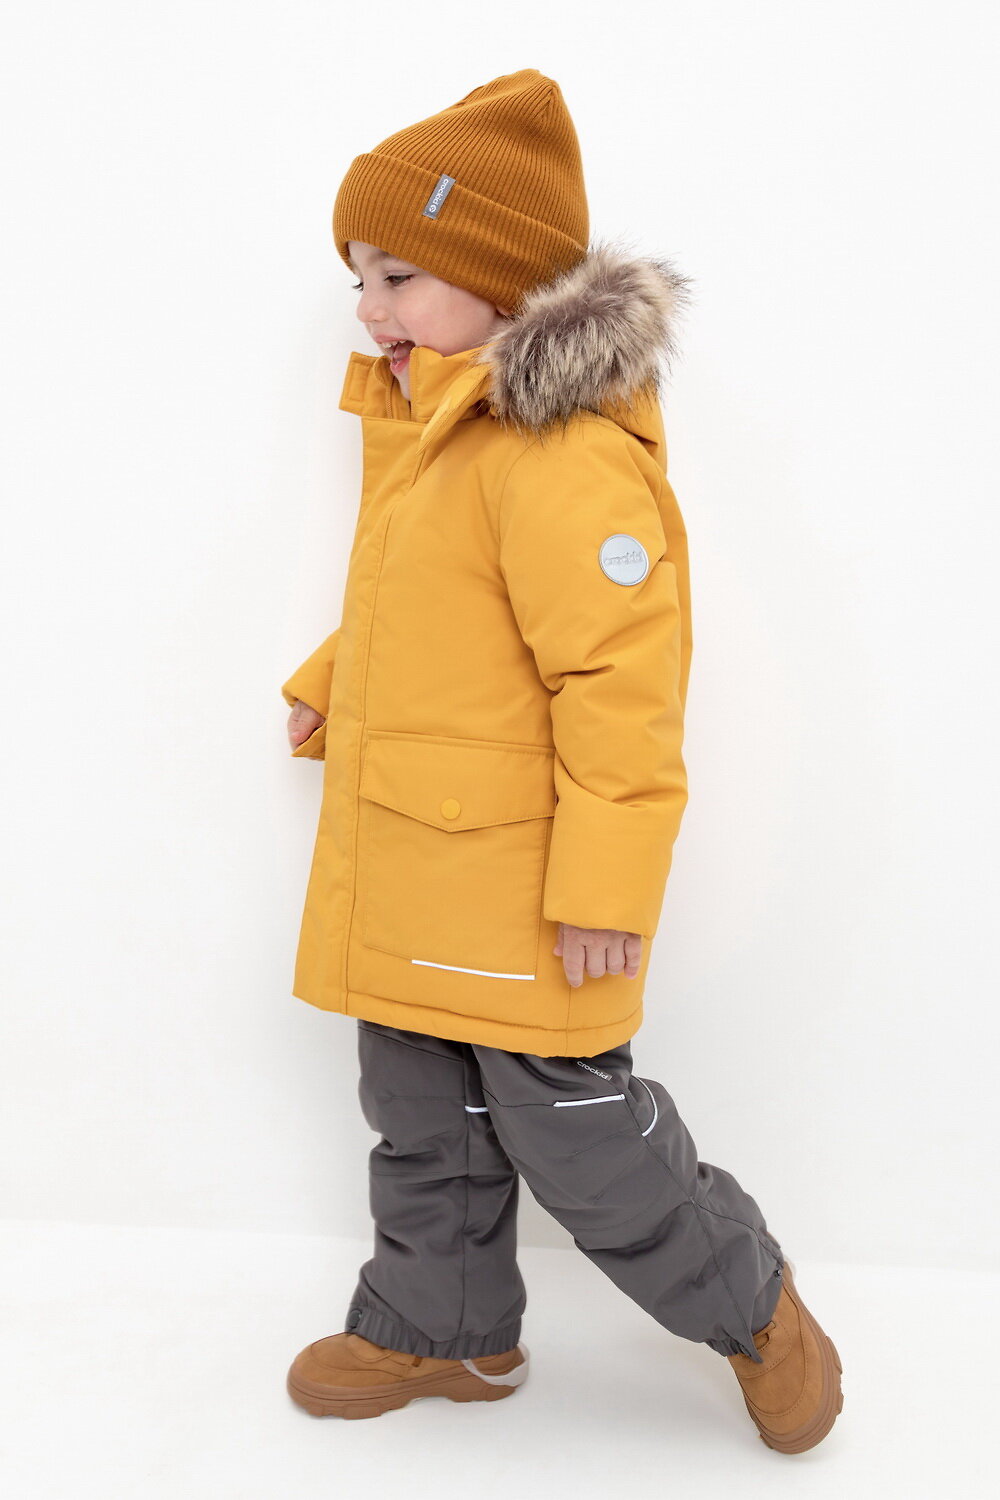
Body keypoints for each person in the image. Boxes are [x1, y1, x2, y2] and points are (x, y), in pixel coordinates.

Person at [279, 68, 843, 1453]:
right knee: (423, 1123)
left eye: (399, 277)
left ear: (499, 279)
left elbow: (620, 683)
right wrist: (332, 686)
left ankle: (753, 1306)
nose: (369, 309)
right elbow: (427, 614)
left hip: (526, 893)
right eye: (359, 279)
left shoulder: (560, 454)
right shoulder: (436, 438)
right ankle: (444, 1332)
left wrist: (605, 882)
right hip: (418, 868)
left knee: (581, 1141)